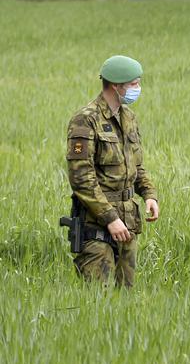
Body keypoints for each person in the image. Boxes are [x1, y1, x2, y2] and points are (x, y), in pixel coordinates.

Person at [65, 55, 159, 286]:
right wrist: (110, 218)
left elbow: (136, 165)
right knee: (98, 299)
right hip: (95, 225)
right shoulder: (85, 120)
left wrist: (149, 195)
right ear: (116, 86)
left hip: (128, 222)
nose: (138, 89)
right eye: (134, 84)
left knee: (125, 300)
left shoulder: (128, 117)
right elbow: (81, 179)